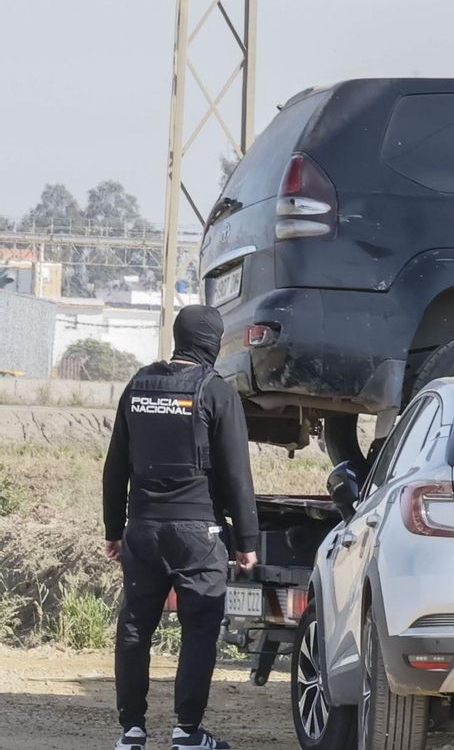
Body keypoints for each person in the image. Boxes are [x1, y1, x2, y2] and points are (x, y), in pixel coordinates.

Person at [103, 306, 258, 750]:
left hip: (144, 529)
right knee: (199, 630)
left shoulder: (138, 387)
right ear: (210, 341)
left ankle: (131, 732)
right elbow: (236, 474)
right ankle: (187, 732)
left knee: (135, 628)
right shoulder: (216, 391)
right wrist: (246, 541)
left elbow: (115, 466)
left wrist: (114, 528)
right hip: (199, 534)